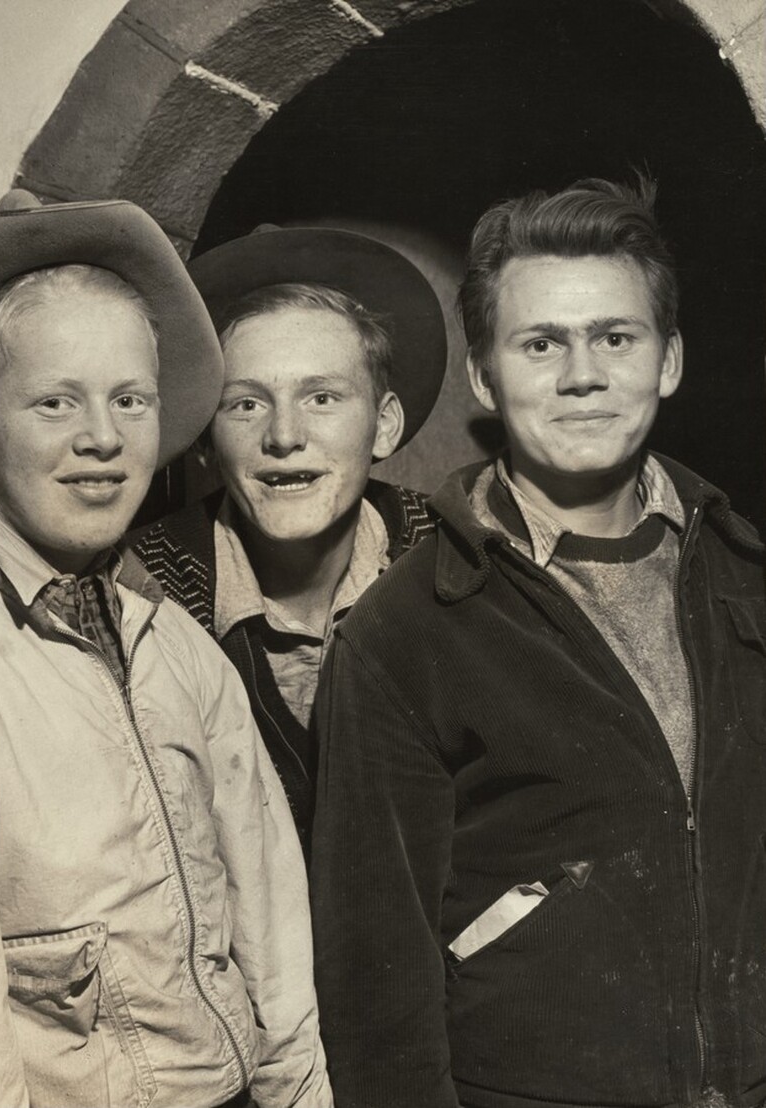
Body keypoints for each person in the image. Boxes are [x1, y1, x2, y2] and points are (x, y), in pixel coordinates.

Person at [310, 177, 766, 1108]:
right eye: (540, 343)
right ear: (485, 375)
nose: (581, 375)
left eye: (614, 336)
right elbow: (373, 979)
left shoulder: (746, 573)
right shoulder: (407, 631)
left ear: (668, 359)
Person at [0, 192, 332, 1108]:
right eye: (54, 401)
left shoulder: (181, 643)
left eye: (129, 400)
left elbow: (269, 930)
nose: (102, 438)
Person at [134, 226, 447, 847]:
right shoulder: (138, 592)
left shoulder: (461, 564)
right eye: (245, 404)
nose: (283, 435)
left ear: (383, 426)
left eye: (322, 397)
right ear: (204, 438)